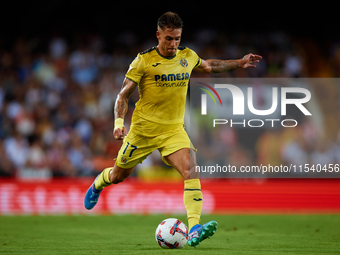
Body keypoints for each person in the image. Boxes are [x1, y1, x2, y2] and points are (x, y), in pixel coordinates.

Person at [84, 11, 262, 247]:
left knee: (191, 168)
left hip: (173, 131)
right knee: (118, 175)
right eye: (169, 38)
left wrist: (239, 62)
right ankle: (99, 183)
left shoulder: (187, 56)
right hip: (142, 132)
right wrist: (119, 124)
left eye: (177, 38)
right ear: (158, 35)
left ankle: (195, 227)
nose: (173, 44)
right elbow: (123, 96)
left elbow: (209, 66)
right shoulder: (143, 61)